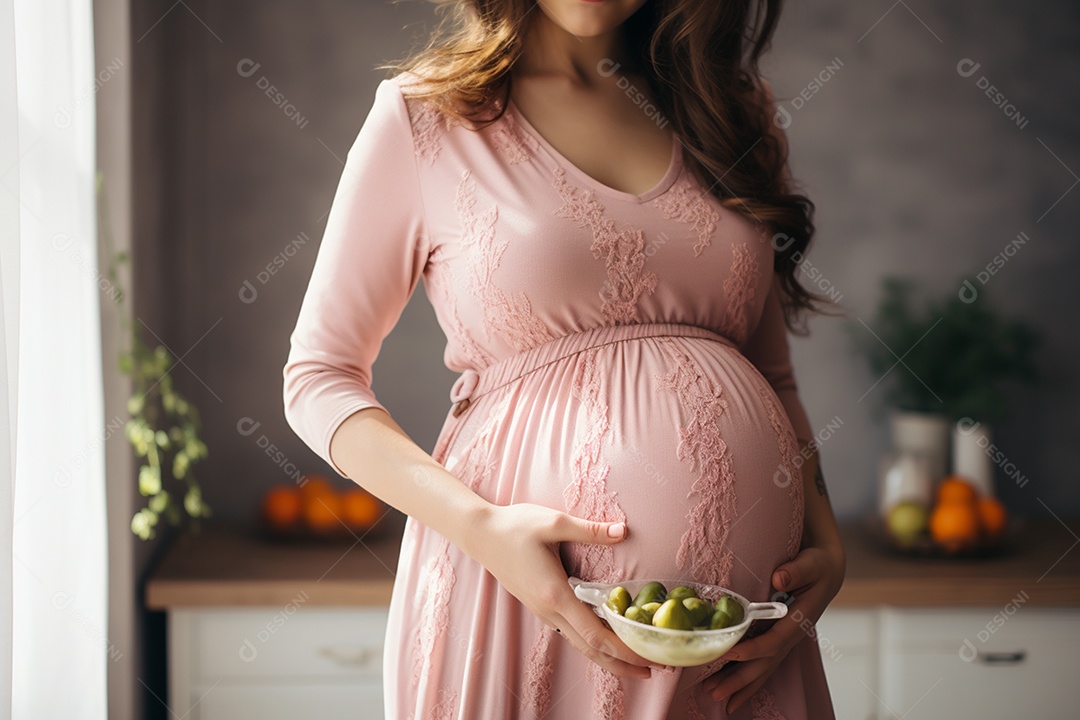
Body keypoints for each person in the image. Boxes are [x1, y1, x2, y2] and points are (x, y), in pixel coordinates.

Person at [283, 0, 845, 716]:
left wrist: (825, 541)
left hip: (744, 641)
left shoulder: (728, 112)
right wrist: (480, 528)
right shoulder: (426, 117)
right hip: (521, 598)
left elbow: (771, 376)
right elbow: (318, 379)